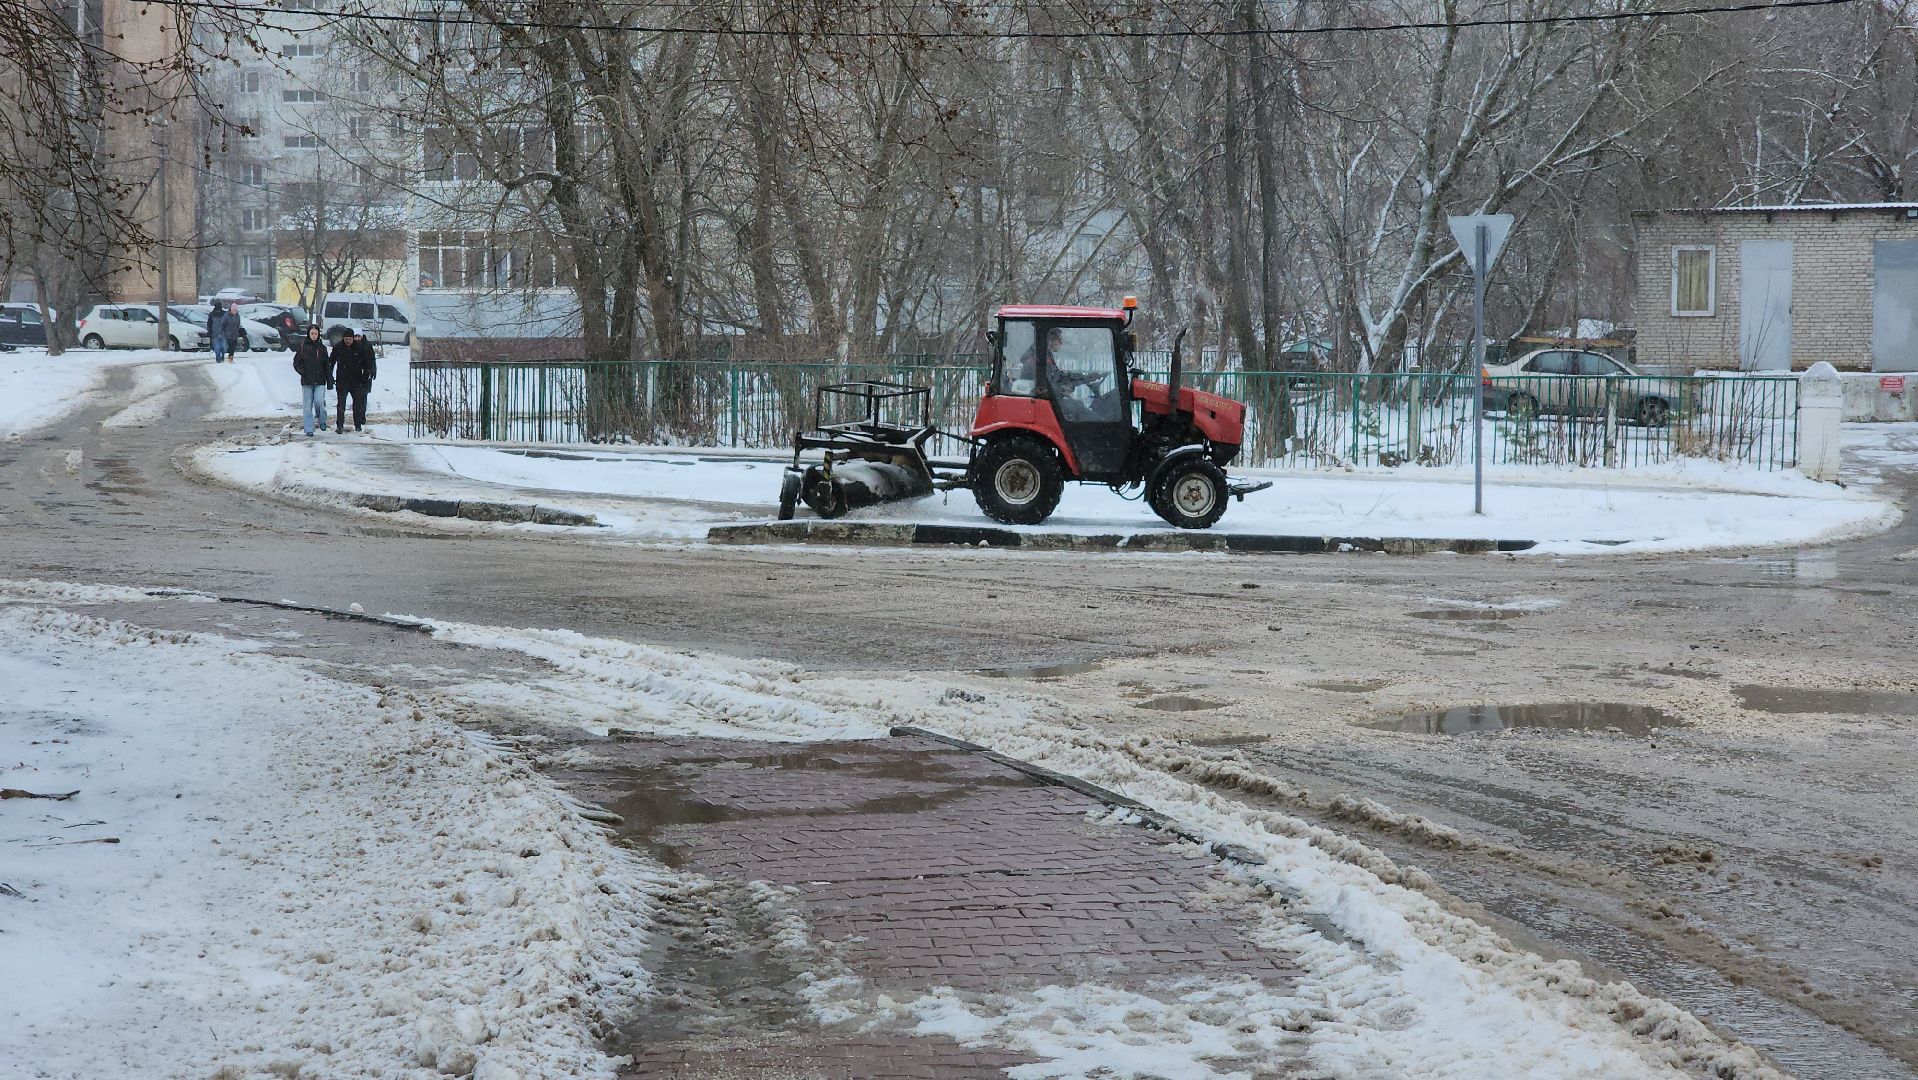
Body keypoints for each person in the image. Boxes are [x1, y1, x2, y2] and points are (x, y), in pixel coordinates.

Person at [332, 328, 377, 433]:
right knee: (341, 403)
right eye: (346, 339)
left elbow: (367, 363)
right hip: (342, 380)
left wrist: (366, 376)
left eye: (350, 339)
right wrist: (330, 377)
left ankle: (357, 424)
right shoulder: (338, 347)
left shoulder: (359, 347)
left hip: (356, 380)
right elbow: (331, 361)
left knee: (357, 403)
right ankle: (340, 425)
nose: (348, 341)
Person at [292, 325, 333, 436]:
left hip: (320, 380)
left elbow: (327, 365)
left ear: (318, 334)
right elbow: (296, 363)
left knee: (319, 401)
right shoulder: (303, 347)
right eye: (312, 334)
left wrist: (329, 379)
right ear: (309, 334)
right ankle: (309, 429)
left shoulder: (322, 348)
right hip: (307, 381)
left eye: (316, 334)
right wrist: (303, 371)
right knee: (307, 406)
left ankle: (322, 420)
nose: (314, 336)